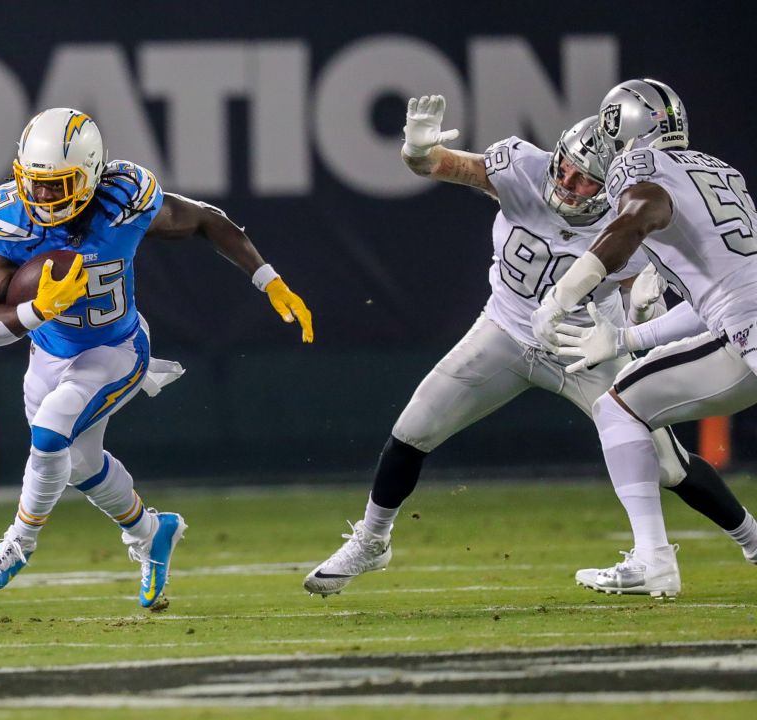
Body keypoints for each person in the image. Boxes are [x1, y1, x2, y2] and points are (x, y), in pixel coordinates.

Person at [304, 95, 755, 598]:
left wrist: (640, 315)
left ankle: (748, 537)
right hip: (505, 329)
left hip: (581, 349)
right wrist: (415, 147)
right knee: (413, 428)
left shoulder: (637, 223)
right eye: (567, 168)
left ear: (612, 187)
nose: (569, 183)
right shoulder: (523, 169)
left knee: (669, 466)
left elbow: (640, 310)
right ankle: (372, 539)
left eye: (587, 179)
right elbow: (436, 164)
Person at [0, 107, 312, 609]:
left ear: (88, 176)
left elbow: (208, 221)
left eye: (56, 185)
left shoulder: (121, 202)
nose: (40, 197)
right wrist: (38, 310)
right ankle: (152, 533)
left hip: (116, 349)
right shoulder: (9, 222)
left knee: (50, 431)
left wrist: (269, 280)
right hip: (49, 355)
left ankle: (17, 544)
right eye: (32, 183)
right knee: (79, 464)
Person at [535, 78, 757, 596]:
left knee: (618, 407)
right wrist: (625, 340)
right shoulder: (718, 170)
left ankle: (655, 559)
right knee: (621, 406)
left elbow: (638, 217)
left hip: (746, 324)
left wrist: (564, 293)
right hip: (739, 327)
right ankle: (652, 558)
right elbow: (714, 305)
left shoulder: (638, 168)